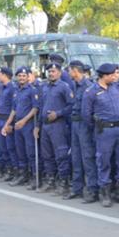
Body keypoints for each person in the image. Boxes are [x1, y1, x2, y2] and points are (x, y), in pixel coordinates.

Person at [82, 63, 119, 207]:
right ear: (104, 76)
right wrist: (98, 126)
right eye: (112, 75)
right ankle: (104, 192)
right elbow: (86, 115)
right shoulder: (91, 92)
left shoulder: (116, 88)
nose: (115, 76)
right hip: (104, 130)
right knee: (103, 161)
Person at [64, 60, 98, 202]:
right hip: (75, 123)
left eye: (70, 70)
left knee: (87, 158)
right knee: (76, 157)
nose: (68, 73)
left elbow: (90, 109)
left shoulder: (88, 86)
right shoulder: (76, 85)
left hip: (84, 125)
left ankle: (92, 190)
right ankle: (77, 188)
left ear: (75, 71)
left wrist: (89, 126)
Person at [38, 63, 74, 195]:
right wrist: (37, 126)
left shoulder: (64, 87)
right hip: (45, 125)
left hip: (58, 125)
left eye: (53, 71)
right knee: (47, 155)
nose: (51, 74)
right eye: (49, 72)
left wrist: (58, 114)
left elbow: (71, 106)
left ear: (59, 73)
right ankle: (50, 181)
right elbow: (41, 107)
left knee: (61, 154)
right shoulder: (45, 87)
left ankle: (63, 183)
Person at [2, 67, 38, 188]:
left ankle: (34, 177)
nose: (21, 78)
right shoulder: (17, 91)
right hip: (17, 125)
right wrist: (8, 123)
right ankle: (23, 175)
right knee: (20, 151)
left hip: (28, 125)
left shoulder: (32, 90)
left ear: (28, 77)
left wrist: (23, 121)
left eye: (24, 75)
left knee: (30, 152)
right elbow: (14, 109)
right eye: (20, 76)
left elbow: (35, 109)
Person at [0, 67, 19, 182]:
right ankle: (7, 169)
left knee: (10, 148)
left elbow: (14, 108)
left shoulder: (12, 88)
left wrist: (9, 124)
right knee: (2, 147)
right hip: (1, 119)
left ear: (5, 75)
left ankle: (14, 171)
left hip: (8, 120)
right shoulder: (2, 88)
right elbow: (1, 106)